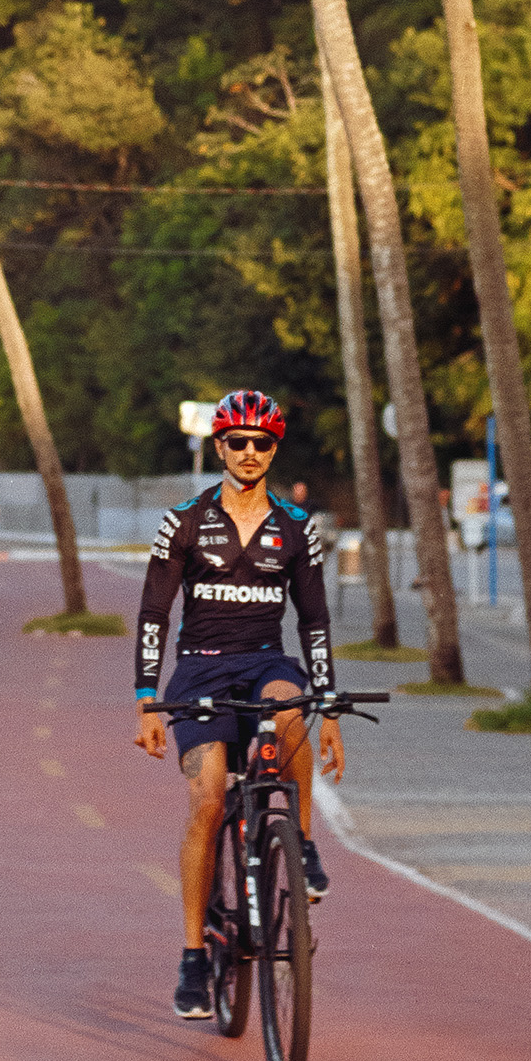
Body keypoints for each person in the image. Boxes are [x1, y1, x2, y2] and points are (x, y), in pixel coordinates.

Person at [133, 390, 342, 1019]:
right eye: (238, 441)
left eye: (262, 442)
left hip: (265, 662)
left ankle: (301, 844)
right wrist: (146, 699)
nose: (250, 451)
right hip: (200, 670)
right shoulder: (183, 521)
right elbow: (153, 614)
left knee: (290, 707)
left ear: (274, 450)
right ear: (220, 447)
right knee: (208, 799)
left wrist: (329, 709)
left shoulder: (296, 527)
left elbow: (314, 620)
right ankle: (194, 956)